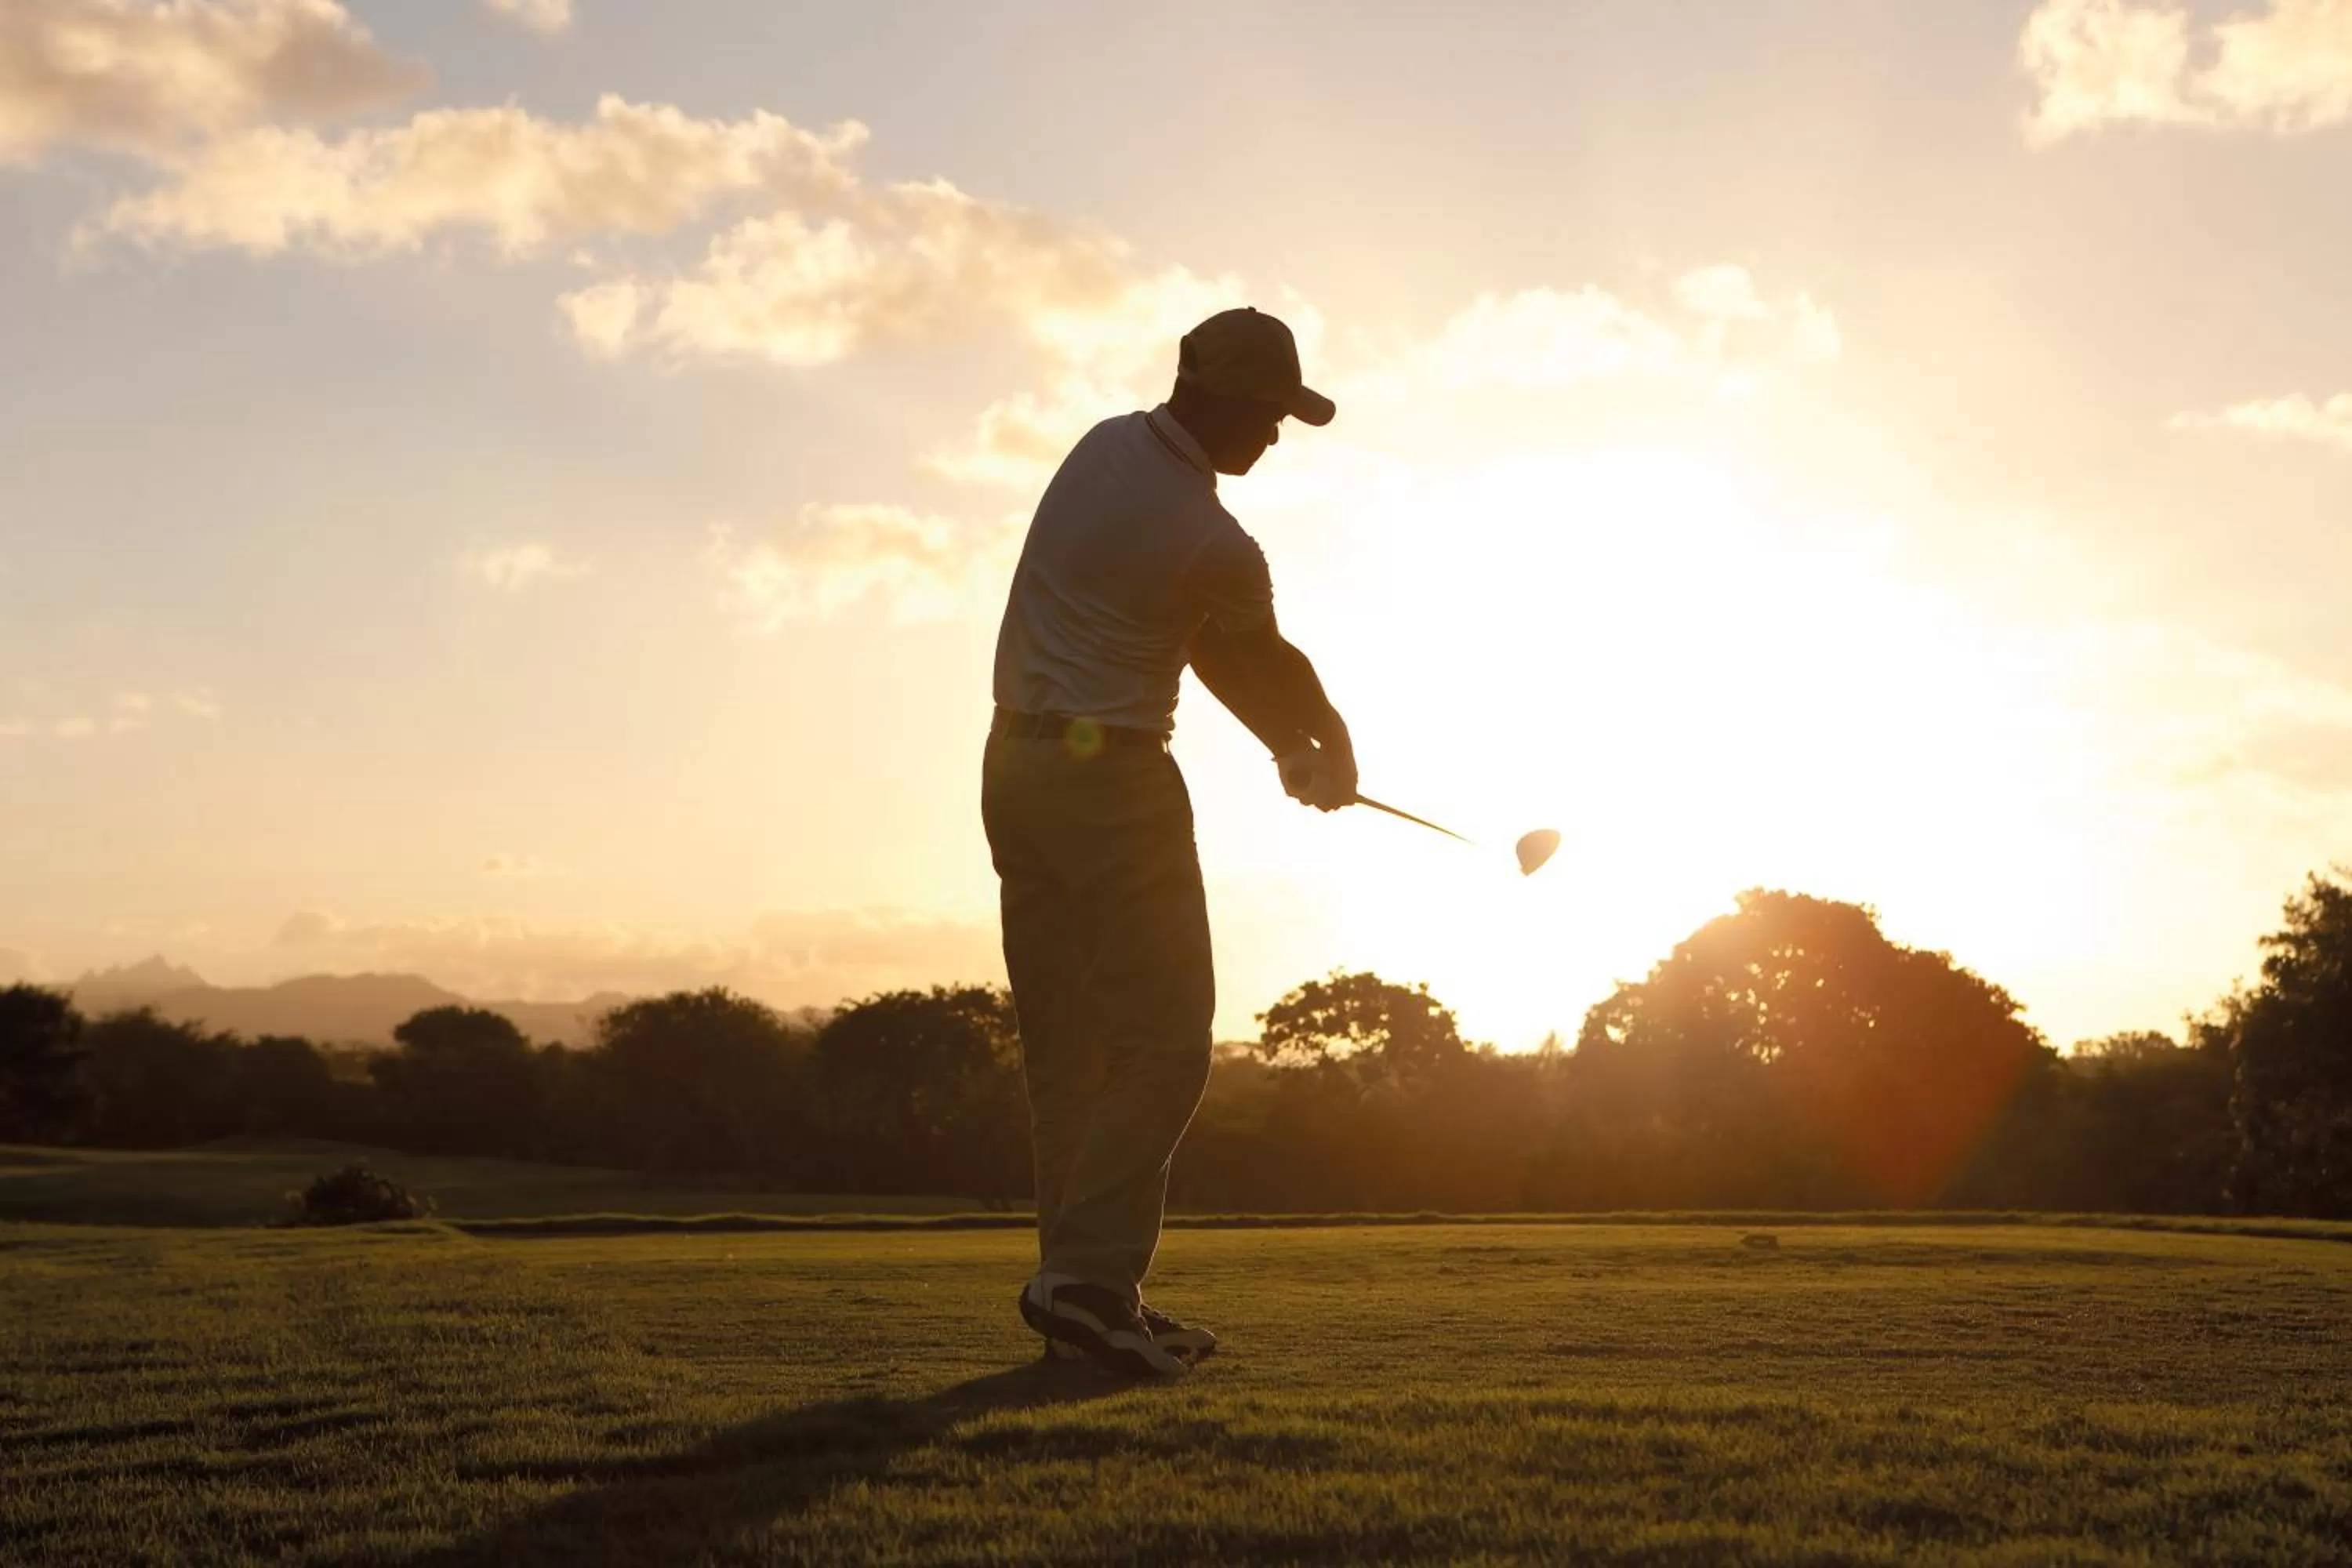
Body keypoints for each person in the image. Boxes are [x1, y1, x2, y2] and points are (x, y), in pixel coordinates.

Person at [984, 307, 1356, 1377]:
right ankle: (1089, 1286)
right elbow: (1258, 659)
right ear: (1229, 398)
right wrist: (1325, 743)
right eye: (1273, 414)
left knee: (1072, 1058)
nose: (1277, 438)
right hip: (1113, 787)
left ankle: (1087, 1306)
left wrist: (1290, 745)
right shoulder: (1215, 537)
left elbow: (1190, 639)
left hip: (1013, 770)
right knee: (1167, 1046)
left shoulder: (1102, 446)